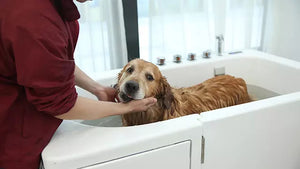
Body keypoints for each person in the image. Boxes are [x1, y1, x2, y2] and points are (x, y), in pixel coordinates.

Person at [0, 0, 157, 168]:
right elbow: (61, 104)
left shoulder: (48, 9)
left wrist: (97, 89)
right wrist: (126, 108)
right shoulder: (36, 17)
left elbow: (52, 63)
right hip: (11, 135)